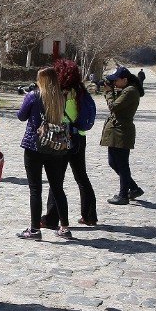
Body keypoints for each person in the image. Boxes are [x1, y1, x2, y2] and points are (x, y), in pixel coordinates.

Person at [16, 67, 73, 240]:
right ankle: (64, 227)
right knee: (57, 188)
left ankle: (34, 230)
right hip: (56, 146)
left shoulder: (34, 95)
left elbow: (21, 116)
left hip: (35, 145)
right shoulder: (60, 97)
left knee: (35, 189)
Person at [41, 59, 98, 228]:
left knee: (56, 179)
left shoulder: (58, 93)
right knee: (82, 176)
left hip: (61, 138)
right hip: (79, 136)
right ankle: (89, 215)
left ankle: (51, 218)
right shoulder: (80, 91)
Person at [100, 66, 144, 204]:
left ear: (124, 80)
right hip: (116, 130)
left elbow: (114, 107)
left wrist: (108, 93)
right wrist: (112, 90)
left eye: (116, 80)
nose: (114, 83)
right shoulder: (125, 89)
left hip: (122, 131)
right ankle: (134, 188)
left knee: (122, 164)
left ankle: (123, 195)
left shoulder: (130, 91)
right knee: (113, 162)